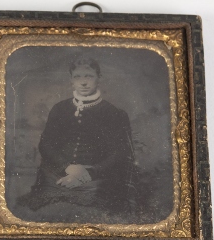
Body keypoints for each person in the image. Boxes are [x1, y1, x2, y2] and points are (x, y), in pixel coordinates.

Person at [16, 55, 135, 218]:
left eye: (89, 76)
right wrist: (68, 167)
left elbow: (118, 153)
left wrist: (89, 174)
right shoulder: (60, 108)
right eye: (77, 76)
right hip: (57, 175)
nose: (83, 82)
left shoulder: (113, 113)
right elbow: (46, 145)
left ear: (98, 78)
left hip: (96, 179)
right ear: (71, 80)